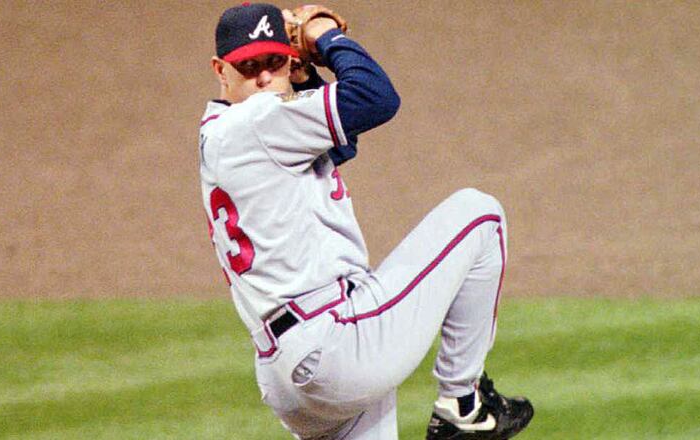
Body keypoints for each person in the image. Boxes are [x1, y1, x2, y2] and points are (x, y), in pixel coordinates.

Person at [198, 3, 534, 439]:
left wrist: (305, 76)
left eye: (274, 62)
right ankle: (462, 404)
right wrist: (326, 37)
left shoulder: (223, 129)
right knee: (480, 215)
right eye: (248, 66)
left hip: (290, 373)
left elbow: (340, 146)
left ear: (288, 62)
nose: (263, 78)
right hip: (336, 344)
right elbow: (374, 97)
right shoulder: (260, 120)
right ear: (220, 70)